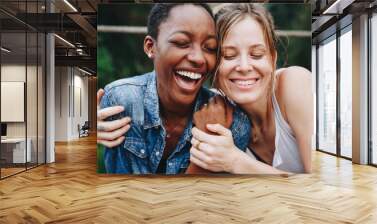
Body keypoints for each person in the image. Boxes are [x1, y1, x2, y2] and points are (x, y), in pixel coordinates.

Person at [97, 3, 251, 174]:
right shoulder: (124, 101)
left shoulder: (233, 123)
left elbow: (212, 198)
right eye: (182, 43)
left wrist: (210, 140)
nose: (199, 58)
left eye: (210, 48)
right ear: (150, 47)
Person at [189, 3, 313, 174]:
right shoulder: (214, 109)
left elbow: (323, 187)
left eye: (256, 54)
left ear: (272, 58)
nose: (244, 66)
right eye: (229, 56)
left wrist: (236, 162)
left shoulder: (295, 84)